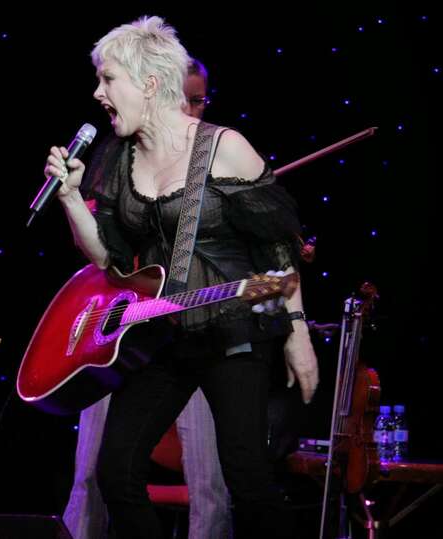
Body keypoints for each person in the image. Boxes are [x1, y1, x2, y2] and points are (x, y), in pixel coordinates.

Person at [45, 16, 318, 539]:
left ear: (149, 84)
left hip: (235, 328)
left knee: (246, 477)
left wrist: (298, 332)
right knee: (115, 472)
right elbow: (108, 259)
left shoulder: (223, 147)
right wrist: (71, 198)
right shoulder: (117, 156)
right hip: (164, 333)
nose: (97, 91)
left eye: (109, 78)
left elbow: (278, 247)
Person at [62, 58, 233, 539]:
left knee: (210, 483)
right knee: (93, 473)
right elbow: (98, 250)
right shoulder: (122, 157)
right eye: (183, 100)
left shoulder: (216, 159)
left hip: (190, 332)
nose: (192, 110)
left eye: (199, 100)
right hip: (119, 326)